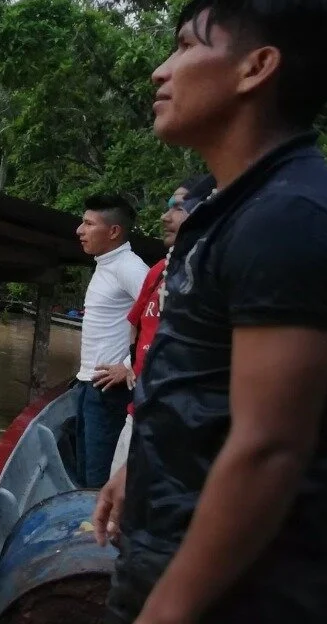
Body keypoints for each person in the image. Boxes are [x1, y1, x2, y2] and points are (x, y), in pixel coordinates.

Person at [93, 0, 327, 623]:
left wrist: (168, 611)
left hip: (238, 591)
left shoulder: (290, 217)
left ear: (256, 67)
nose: (161, 72)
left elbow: (271, 446)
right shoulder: (238, 210)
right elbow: (209, 385)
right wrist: (143, 469)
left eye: (185, 47)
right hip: (175, 546)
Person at [108, 176, 206, 478]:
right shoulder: (158, 272)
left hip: (183, 425)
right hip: (138, 413)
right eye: (168, 207)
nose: (165, 216)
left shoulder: (216, 276)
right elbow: (135, 323)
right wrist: (131, 365)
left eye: (178, 207)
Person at [74, 194, 149, 488]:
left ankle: (100, 519)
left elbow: (160, 319)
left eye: (89, 223)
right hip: (88, 382)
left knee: (99, 477)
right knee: (85, 470)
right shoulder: (105, 265)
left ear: (114, 231)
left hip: (108, 390)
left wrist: (127, 365)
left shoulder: (129, 267)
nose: (80, 230)